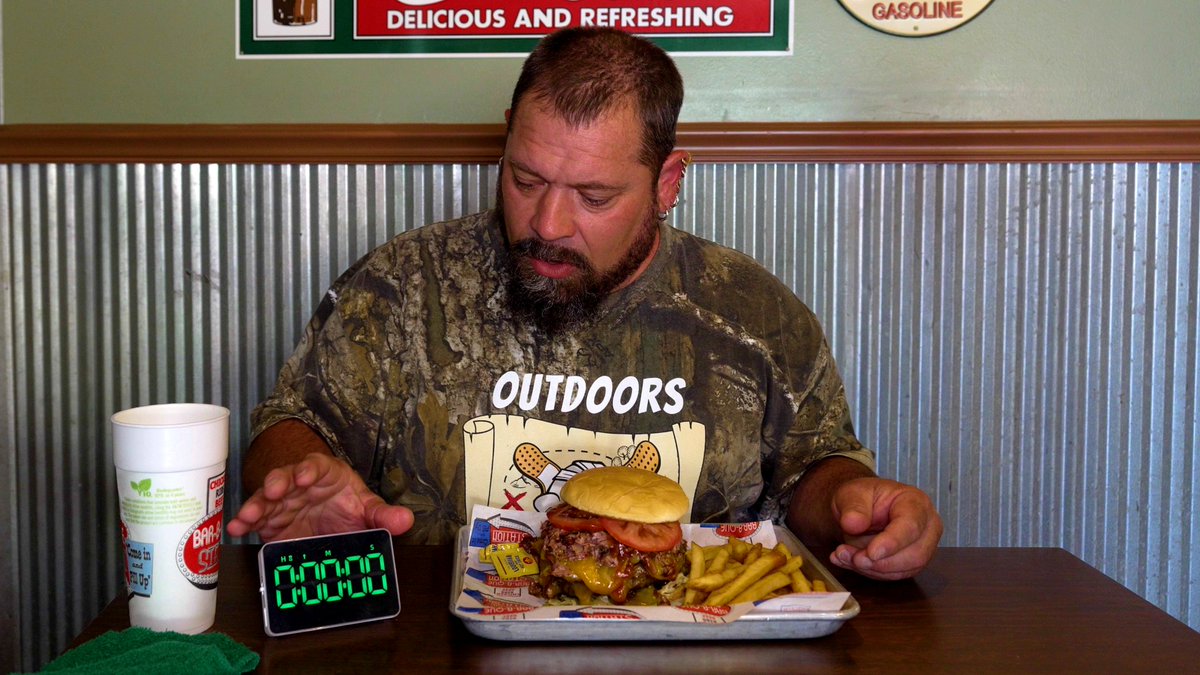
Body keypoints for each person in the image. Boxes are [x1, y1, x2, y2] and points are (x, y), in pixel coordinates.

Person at [227, 26, 942, 581]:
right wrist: (297, 472)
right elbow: (292, 426)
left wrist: (856, 507)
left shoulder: (753, 312)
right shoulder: (404, 285)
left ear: (666, 183)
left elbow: (815, 470)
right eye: (526, 178)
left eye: (594, 197)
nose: (547, 224)